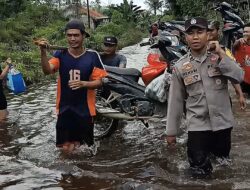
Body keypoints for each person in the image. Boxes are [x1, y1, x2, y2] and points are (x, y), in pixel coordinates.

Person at [166, 17, 244, 177]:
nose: (195, 37)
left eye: (199, 32)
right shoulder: (180, 66)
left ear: (208, 35)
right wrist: (171, 132)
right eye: (191, 33)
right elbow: (175, 101)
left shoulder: (220, 57)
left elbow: (239, 77)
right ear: (184, 37)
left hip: (222, 124)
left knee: (223, 167)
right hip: (197, 127)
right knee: (199, 173)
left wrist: (221, 53)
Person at [38, 19, 107, 152]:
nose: (72, 38)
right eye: (69, 35)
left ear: (83, 36)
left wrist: (84, 84)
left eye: (76, 35)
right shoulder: (60, 54)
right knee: (66, 149)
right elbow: (47, 71)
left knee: (85, 149)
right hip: (65, 109)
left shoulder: (93, 56)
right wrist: (43, 52)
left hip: (85, 110)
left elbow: (100, 81)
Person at [208, 20, 246, 109]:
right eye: (206, 30)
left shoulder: (224, 51)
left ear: (217, 31)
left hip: (220, 99)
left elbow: (233, 74)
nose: (209, 33)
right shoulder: (196, 51)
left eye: (211, 30)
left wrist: (240, 94)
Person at [233, 23, 250, 97]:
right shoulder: (239, 44)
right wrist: (238, 41)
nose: (245, 34)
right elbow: (234, 46)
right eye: (244, 32)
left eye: (247, 32)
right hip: (244, 80)